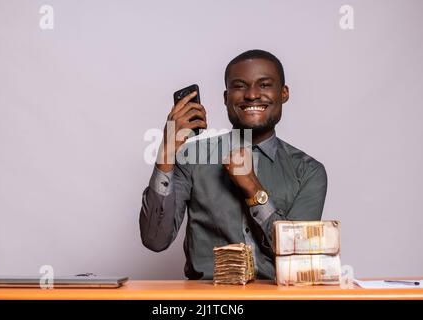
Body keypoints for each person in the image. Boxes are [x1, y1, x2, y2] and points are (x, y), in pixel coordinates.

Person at [139, 49, 328, 280]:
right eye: (240, 86)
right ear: (226, 97)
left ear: (284, 93)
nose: (251, 95)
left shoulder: (308, 171)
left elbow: (299, 256)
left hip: (278, 297)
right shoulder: (192, 158)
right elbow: (154, 240)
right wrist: (167, 152)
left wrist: (253, 188)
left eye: (265, 85)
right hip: (208, 302)